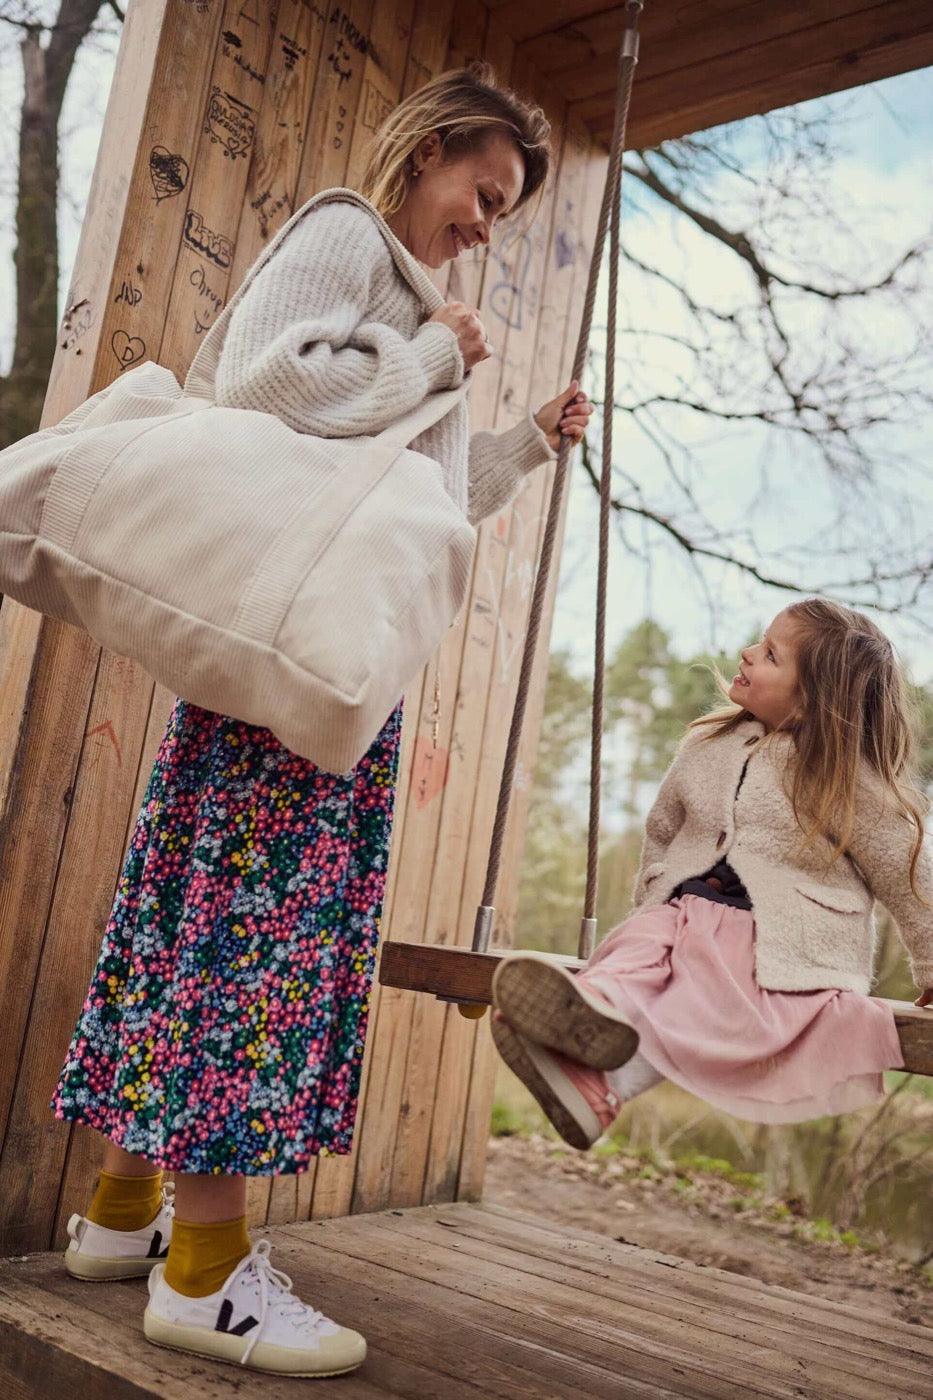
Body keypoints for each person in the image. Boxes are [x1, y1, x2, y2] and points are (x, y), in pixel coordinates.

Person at [52, 62, 594, 1378]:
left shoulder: (407, 306)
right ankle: (207, 1273)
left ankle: (126, 1215)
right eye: (486, 190)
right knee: (260, 940)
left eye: (508, 210)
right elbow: (256, 384)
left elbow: (418, 505)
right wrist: (431, 354)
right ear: (431, 153)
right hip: (288, 670)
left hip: (291, 661)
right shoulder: (351, 236)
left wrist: (517, 437)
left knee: (194, 917)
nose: (487, 223)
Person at [491, 598, 933, 1151]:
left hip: (778, 945)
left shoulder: (845, 781)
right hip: (682, 913)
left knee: (700, 987)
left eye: (771, 654)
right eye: (759, 641)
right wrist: (651, 899)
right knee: (634, 953)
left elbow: (911, 872)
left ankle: (599, 1070)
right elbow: (663, 828)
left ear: (813, 700)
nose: (748, 653)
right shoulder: (708, 745)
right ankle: (586, 1021)